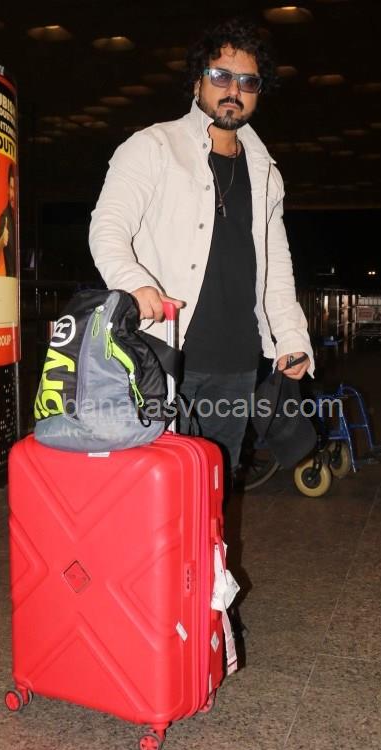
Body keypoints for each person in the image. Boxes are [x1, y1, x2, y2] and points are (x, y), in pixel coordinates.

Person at [89, 18, 313, 475]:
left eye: (248, 81)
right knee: (156, 487)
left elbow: (276, 265)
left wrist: (291, 337)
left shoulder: (265, 172)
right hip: (162, 354)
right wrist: (135, 284)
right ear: (197, 82)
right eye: (221, 76)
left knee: (215, 486)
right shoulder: (153, 146)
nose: (234, 90)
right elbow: (107, 227)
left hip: (238, 361)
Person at [0, 163, 17, 277]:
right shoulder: (5, 216)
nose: (13, 194)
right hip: (11, 280)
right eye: (11, 188)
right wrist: (2, 241)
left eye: (15, 189)